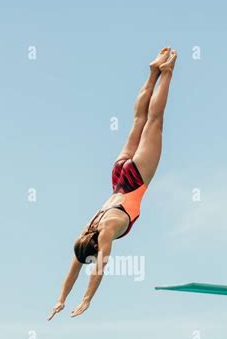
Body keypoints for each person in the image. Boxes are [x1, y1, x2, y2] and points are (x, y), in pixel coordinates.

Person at [48, 47, 177, 319]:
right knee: (139, 119)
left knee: (155, 121)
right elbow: (75, 267)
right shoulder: (87, 230)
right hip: (118, 175)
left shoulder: (105, 231)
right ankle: (153, 71)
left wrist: (87, 300)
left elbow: (99, 268)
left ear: (93, 248)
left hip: (136, 178)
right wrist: (61, 299)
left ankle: (166, 73)